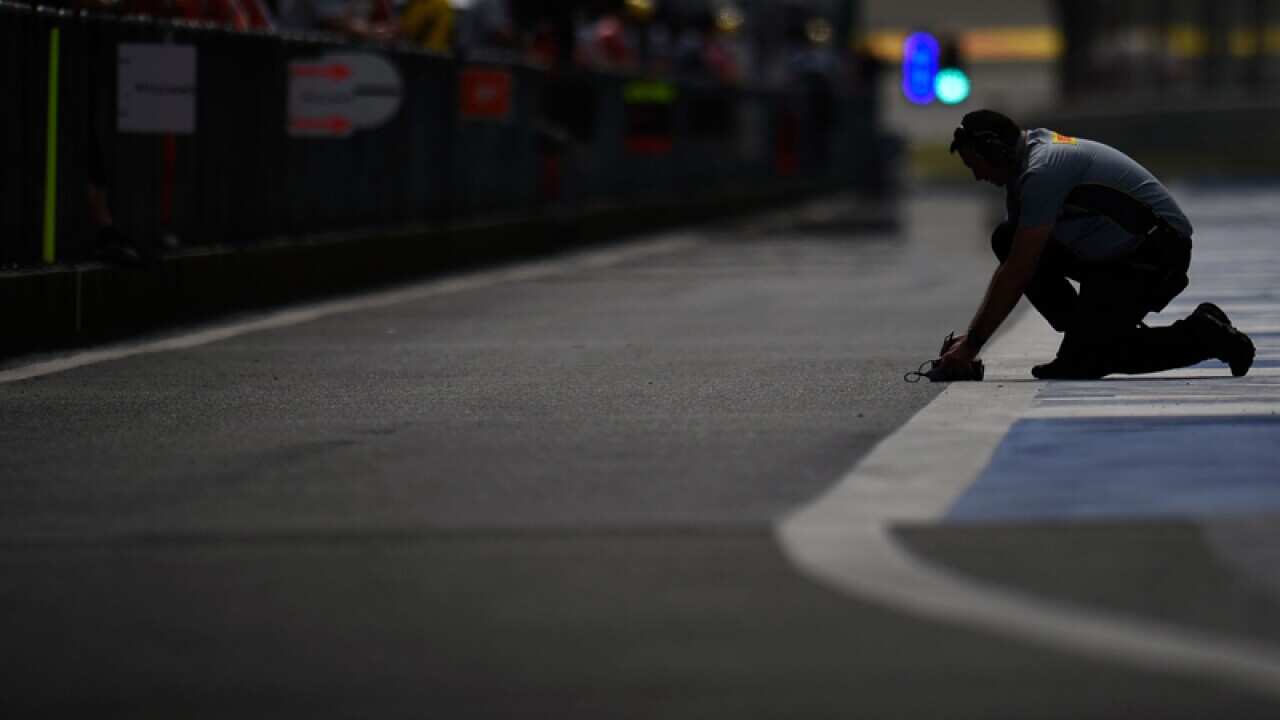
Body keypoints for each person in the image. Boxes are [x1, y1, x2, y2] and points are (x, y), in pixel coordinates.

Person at [938, 109, 1255, 380]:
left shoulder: (1043, 170)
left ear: (996, 151)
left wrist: (972, 345)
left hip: (1156, 254)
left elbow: (1019, 269)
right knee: (1007, 237)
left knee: (1093, 360)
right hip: (1116, 255)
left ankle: (1205, 335)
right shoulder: (1032, 161)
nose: (977, 176)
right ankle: (1083, 332)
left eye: (974, 164)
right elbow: (1020, 258)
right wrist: (972, 339)